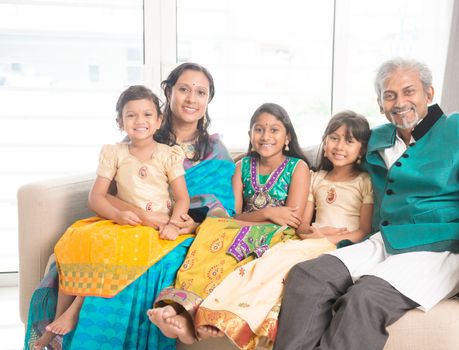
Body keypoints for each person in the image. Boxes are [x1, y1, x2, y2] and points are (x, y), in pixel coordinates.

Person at [273, 57, 459, 350]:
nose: (399, 102)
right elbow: (333, 149)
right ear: (380, 104)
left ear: (429, 94)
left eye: (409, 91)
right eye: (389, 95)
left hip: (440, 248)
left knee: (363, 299)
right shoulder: (376, 138)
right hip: (385, 241)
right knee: (308, 276)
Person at [24, 62, 236, 350]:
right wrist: (147, 218)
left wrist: (194, 224)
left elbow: (224, 212)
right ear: (168, 91)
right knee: (94, 245)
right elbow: (107, 196)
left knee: (160, 262)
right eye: (184, 89)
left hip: (183, 233)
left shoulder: (215, 152)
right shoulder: (139, 137)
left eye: (201, 92)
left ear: (209, 99)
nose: (191, 98)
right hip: (136, 223)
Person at [193, 110, 374, 350]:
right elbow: (302, 225)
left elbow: (363, 231)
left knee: (284, 262)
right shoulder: (317, 177)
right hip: (309, 239)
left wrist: (328, 237)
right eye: (334, 138)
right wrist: (314, 233)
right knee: (268, 260)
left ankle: (249, 321)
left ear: (361, 150)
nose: (339, 146)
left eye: (349, 141)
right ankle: (224, 312)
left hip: (340, 244)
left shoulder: (364, 181)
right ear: (324, 141)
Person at [32, 84, 190, 349]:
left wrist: (174, 224)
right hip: (124, 221)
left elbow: (183, 198)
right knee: (77, 237)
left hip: (154, 225)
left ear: (159, 120)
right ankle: (58, 321)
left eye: (148, 115)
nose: (140, 121)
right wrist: (118, 214)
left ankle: (72, 313)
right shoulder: (114, 153)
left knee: (116, 248)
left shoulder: (167, 154)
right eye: (131, 115)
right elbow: (96, 197)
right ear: (120, 121)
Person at [147, 102, 311, 345]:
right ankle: (178, 308)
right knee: (210, 229)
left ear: (287, 135)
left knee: (228, 242)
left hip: (279, 234)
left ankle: (201, 317)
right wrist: (267, 212)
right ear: (250, 135)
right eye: (259, 129)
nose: (266, 136)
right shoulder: (241, 166)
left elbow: (291, 219)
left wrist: (267, 217)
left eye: (274, 130)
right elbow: (232, 216)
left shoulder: (297, 167)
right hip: (241, 228)